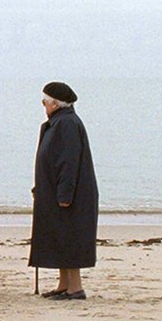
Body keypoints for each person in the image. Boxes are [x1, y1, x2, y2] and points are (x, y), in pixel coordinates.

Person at [29, 81, 98, 301]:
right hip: (53, 192)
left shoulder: (67, 123)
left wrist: (65, 194)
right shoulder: (55, 123)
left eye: (45, 102)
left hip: (69, 195)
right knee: (58, 237)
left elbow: (69, 162)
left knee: (69, 237)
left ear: (56, 104)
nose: (44, 106)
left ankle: (75, 287)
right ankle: (63, 284)